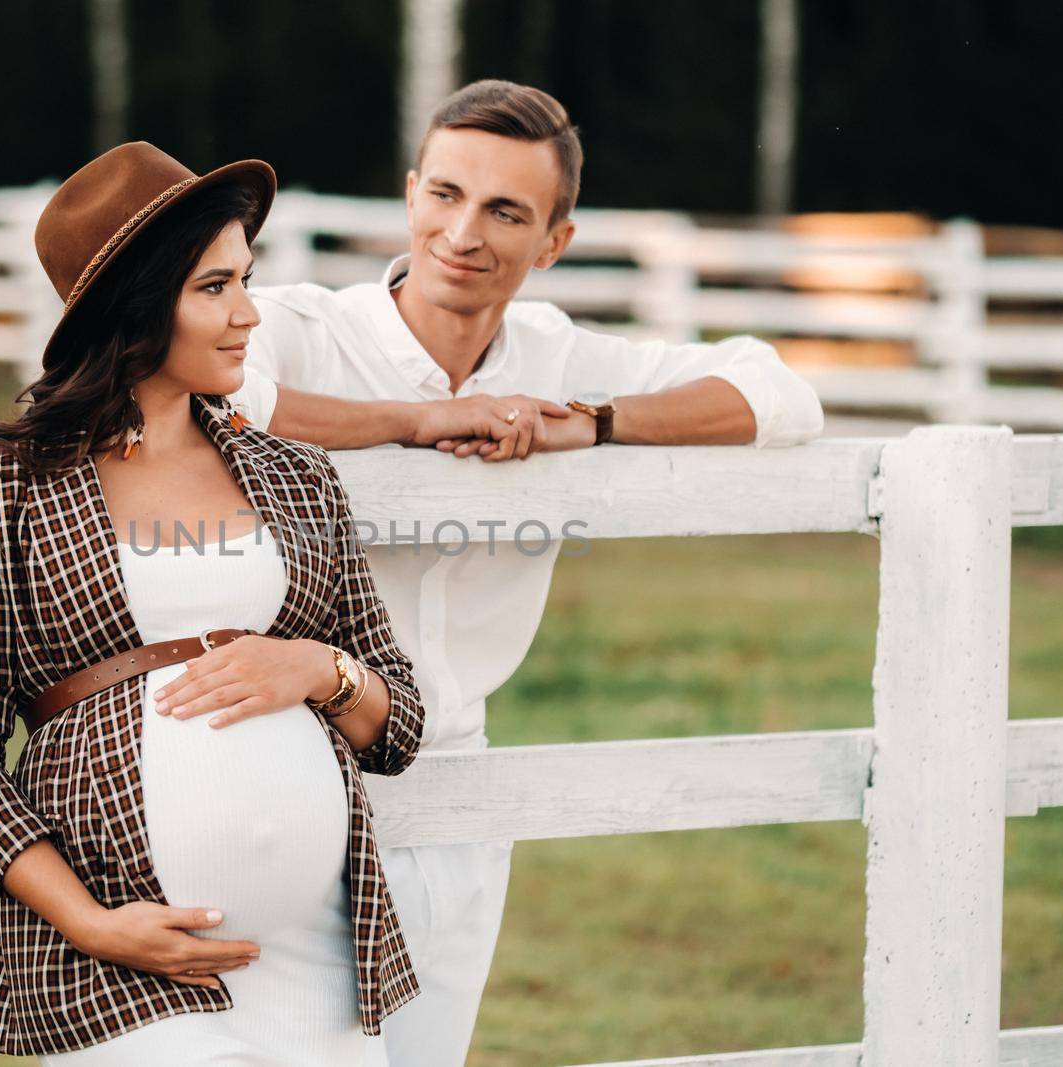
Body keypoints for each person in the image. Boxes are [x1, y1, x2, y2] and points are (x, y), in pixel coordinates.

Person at [210, 80, 829, 1067]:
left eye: (505, 211)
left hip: (459, 782)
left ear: (554, 241)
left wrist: (596, 419)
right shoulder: (301, 326)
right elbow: (216, 387)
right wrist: (415, 422)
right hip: (281, 771)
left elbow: (781, 393)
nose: (463, 232)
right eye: (446, 194)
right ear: (411, 193)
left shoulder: (559, 353)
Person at [0, 141, 425, 1063]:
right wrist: (92, 922)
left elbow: (398, 725)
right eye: (214, 287)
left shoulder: (297, 476)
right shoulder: (4, 485)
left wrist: (316, 666)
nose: (248, 313)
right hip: (121, 962)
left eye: (246, 280)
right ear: (139, 307)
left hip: (316, 963)